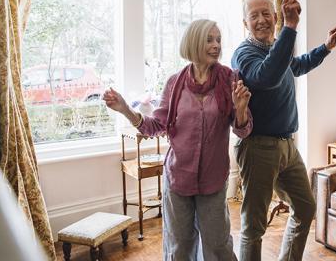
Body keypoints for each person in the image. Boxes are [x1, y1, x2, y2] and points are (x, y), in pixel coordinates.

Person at [103, 19, 253, 261]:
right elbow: (155, 126)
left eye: (218, 40)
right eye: (209, 39)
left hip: (213, 180)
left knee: (218, 247)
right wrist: (124, 110)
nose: (216, 45)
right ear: (193, 42)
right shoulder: (175, 83)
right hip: (177, 178)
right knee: (179, 248)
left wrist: (242, 110)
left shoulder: (229, 79)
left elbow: (243, 131)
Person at [231, 0, 336, 261]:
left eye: (266, 13)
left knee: (305, 208)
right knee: (253, 227)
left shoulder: (275, 49)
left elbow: (298, 65)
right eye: (254, 15)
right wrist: (290, 29)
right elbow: (265, 77)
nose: (261, 20)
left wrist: (325, 48)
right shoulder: (243, 53)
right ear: (245, 23)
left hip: (287, 146)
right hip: (258, 147)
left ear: (275, 16)